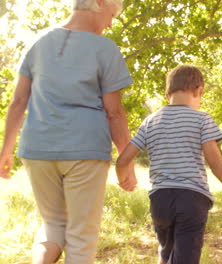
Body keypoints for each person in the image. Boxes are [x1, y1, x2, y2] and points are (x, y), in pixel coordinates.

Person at [0, 0, 136, 263]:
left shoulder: (38, 43)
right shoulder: (105, 48)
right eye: (111, 14)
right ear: (99, 3)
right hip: (85, 152)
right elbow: (114, 112)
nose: (110, 23)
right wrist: (125, 159)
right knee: (81, 236)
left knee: (52, 225)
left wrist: (6, 150)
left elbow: (18, 102)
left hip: (37, 150)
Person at [115, 65, 222, 264]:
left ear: (168, 93)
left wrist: (124, 179)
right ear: (198, 90)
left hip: (160, 200)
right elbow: (218, 167)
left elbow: (123, 160)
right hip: (192, 200)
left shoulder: (150, 121)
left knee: (166, 254)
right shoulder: (202, 120)